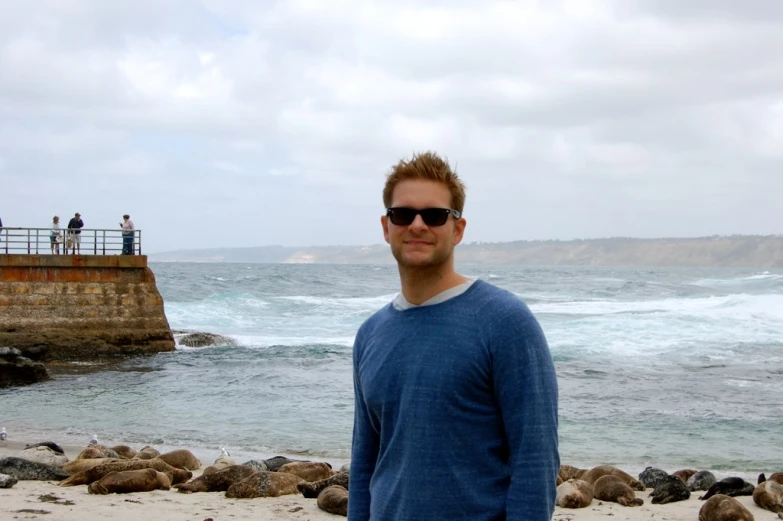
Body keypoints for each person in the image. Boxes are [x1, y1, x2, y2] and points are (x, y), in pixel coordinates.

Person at [349, 151, 560, 521]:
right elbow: (365, 461)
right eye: (403, 214)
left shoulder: (505, 321)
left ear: (458, 229)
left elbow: (536, 457)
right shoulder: (370, 335)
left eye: (434, 215)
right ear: (386, 227)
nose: (417, 225)